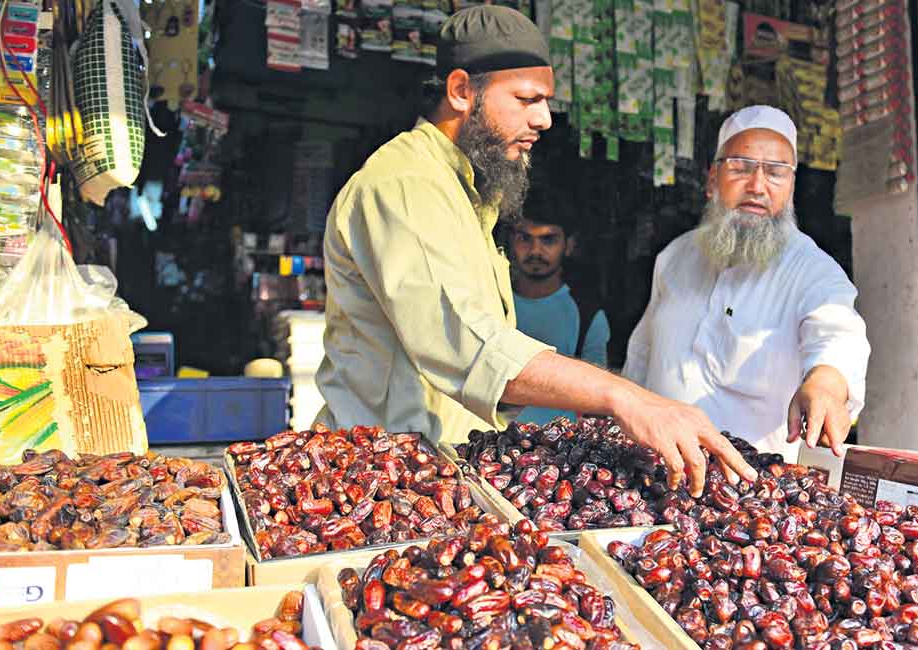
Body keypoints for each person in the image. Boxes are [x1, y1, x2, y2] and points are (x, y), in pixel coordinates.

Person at [315, 5, 756, 496]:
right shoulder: (404, 187)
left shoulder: (464, 193)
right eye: (526, 99)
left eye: (545, 101)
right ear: (462, 91)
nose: (544, 119)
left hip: (434, 478)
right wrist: (624, 397)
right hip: (376, 484)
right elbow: (469, 347)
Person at [623, 105, 870, 458]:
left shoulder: (813, 271)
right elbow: (643, 356)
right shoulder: (675, 258)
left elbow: (837, 336)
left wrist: (826, 383)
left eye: (775, 173)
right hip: (657, 477)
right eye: (740, 168)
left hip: (751, 493)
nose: (757, 186)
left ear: (791, 187)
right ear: (712, 180)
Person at [508, 207, 610, 424]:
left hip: (559, 450)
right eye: (525, 238)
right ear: (511, 241)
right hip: (484, 446)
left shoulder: (588, 314)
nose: (535, 250)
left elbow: (596, 397)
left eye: (548, 240)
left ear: (569, 245)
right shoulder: (491, 301)